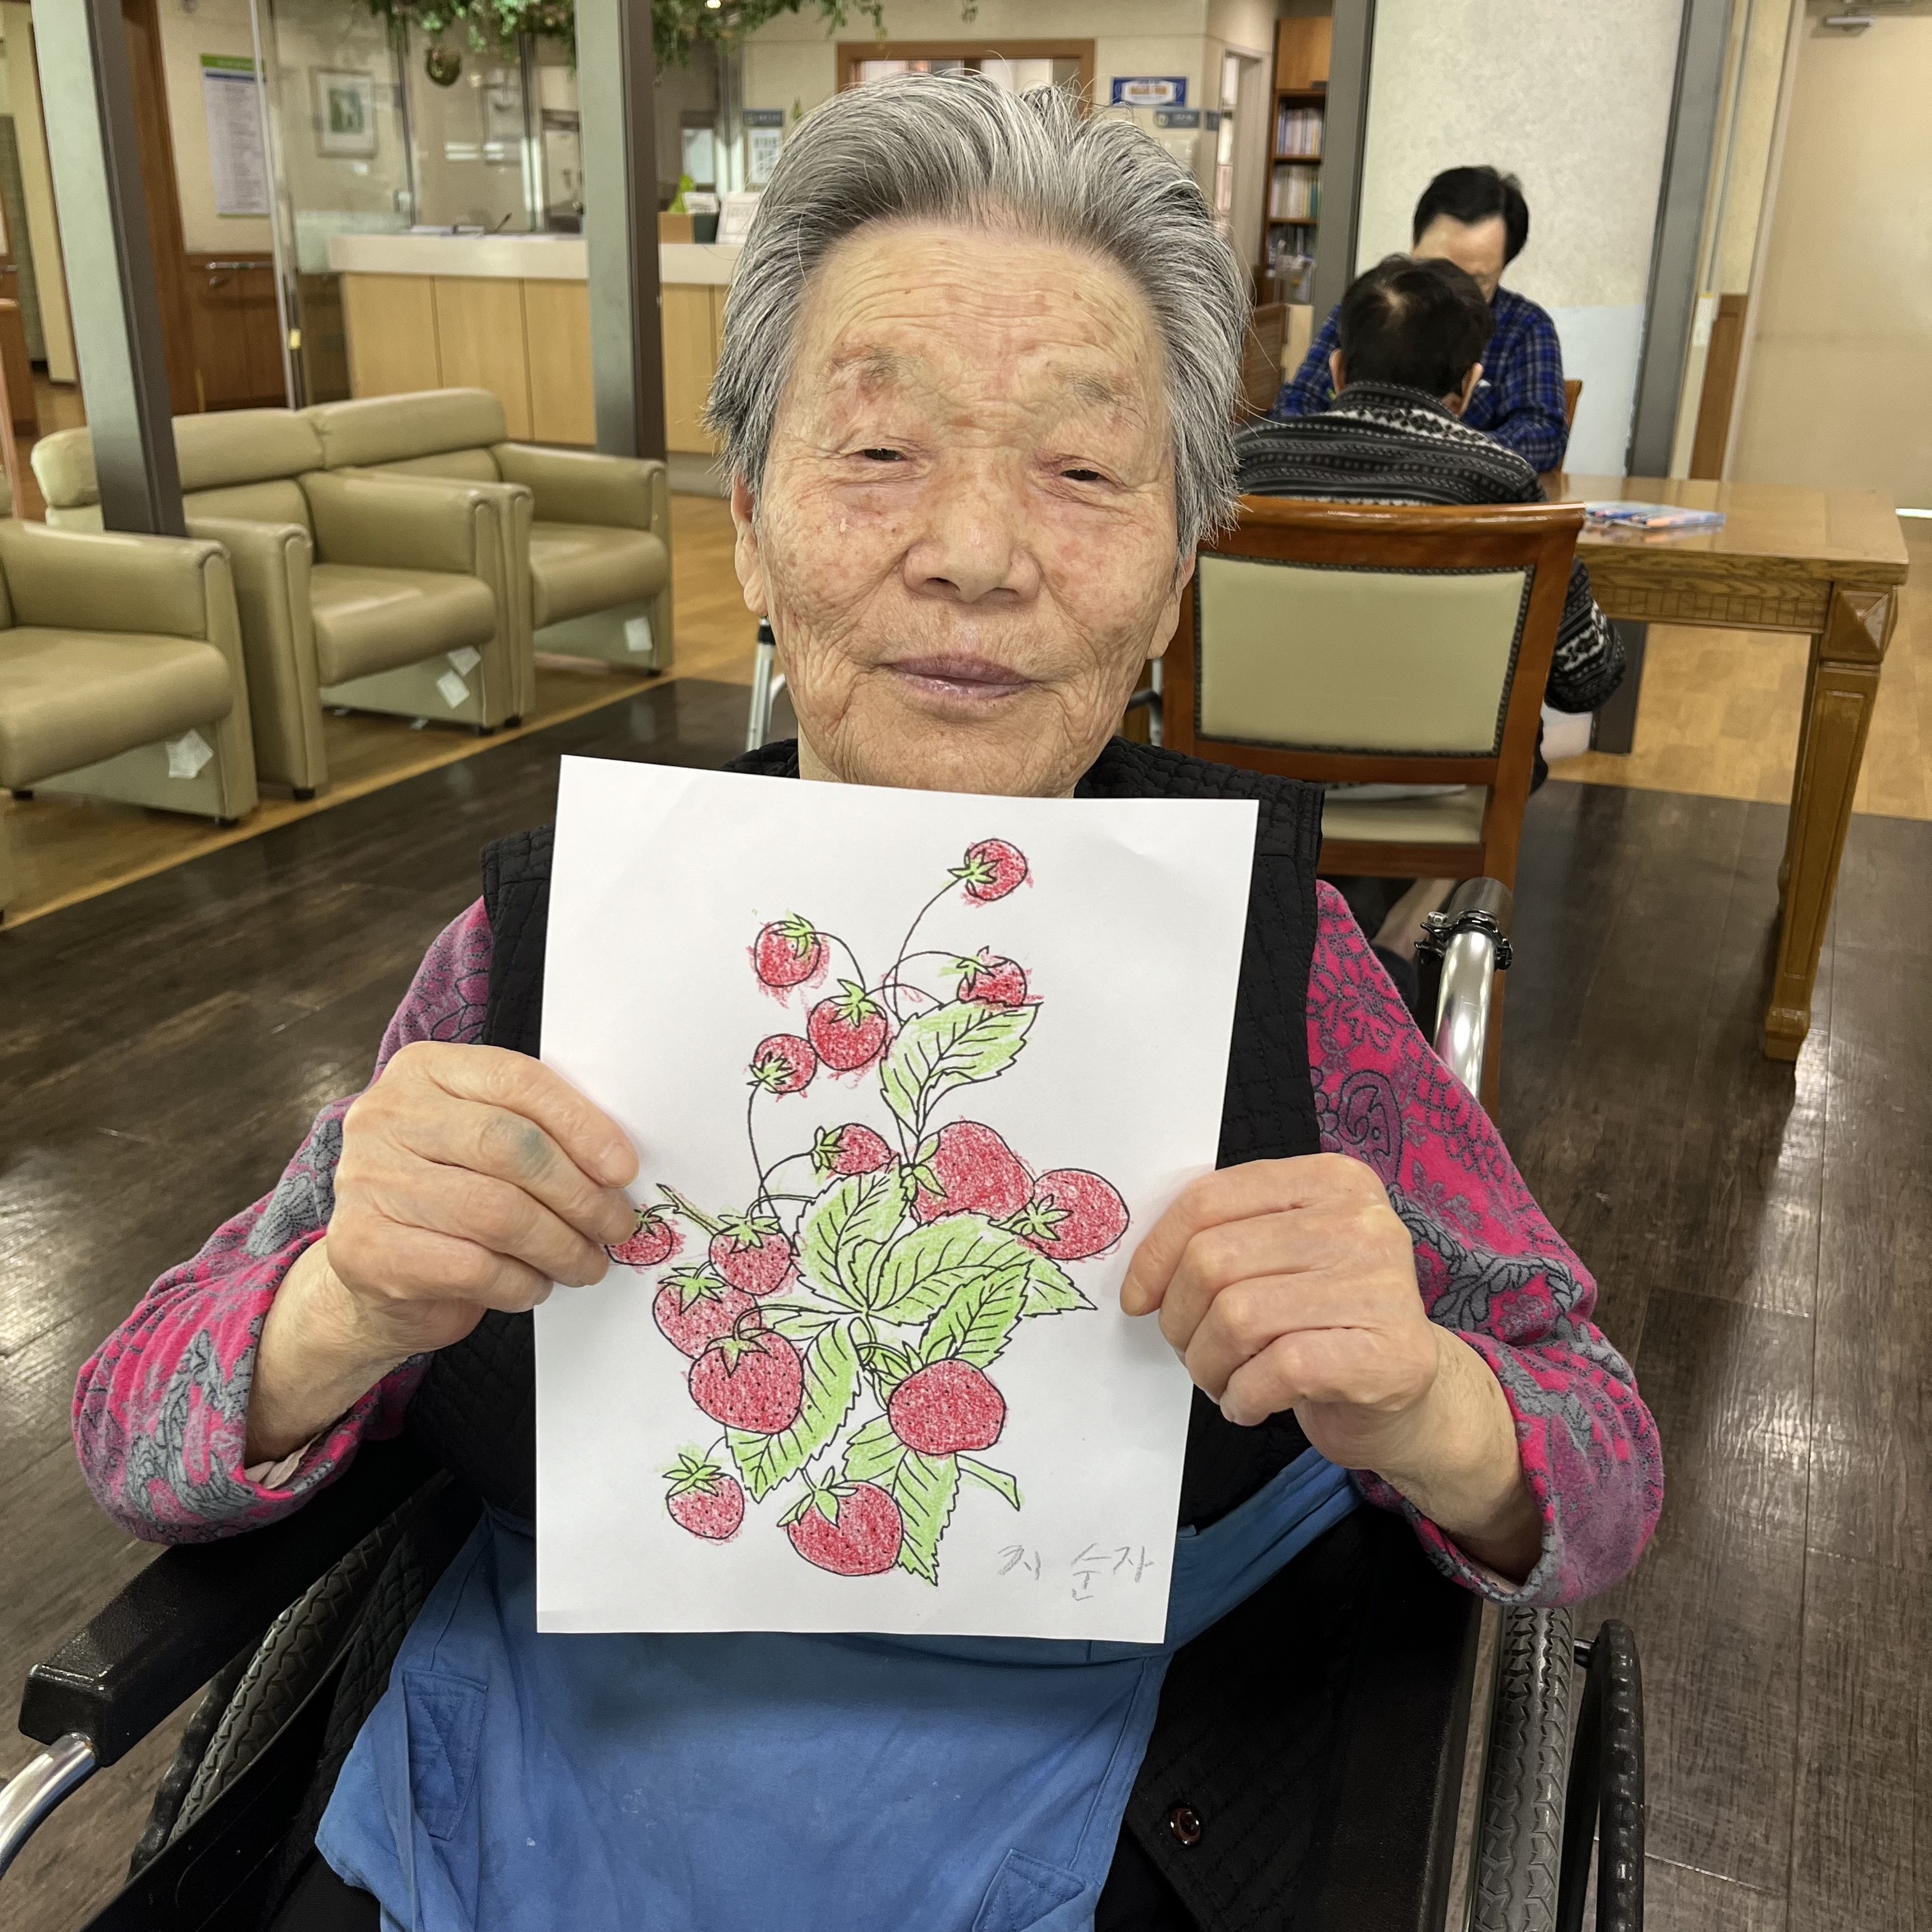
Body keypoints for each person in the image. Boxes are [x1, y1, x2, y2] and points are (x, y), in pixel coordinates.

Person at [73, 76, 1660, 1932]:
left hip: (1101, 1787)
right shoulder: (549, 951)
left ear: (1174, 577)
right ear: (751, 527)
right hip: (541, 1776)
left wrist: (1433, 1406)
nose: (975, 552)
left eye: (1083, 472)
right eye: (881, 450)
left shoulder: (1284, 971)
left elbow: (1600, 1463)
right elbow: (133, 1423)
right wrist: (337, 1305)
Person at [1238, 254, 1625, 992]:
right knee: (1518, 743)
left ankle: (1289, 925)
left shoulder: (1243, 467)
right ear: (1469, 386)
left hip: (1256, 775)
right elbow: (1589, 677)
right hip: (1439, 786)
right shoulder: (1501, 485)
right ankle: (1405, 929)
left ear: (1338, 368)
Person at [1273, 165, 1570, 472]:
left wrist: (1427, 452)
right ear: (1413, 242)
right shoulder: (1375, 308)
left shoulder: (1525, 327)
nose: (1449, 292)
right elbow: (1296, 405)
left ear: (1503, 268)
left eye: (1474, 281)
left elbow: (1543, 434)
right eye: (1434, 269)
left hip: (1463, 496)